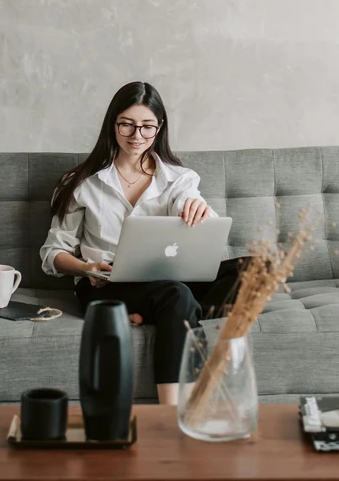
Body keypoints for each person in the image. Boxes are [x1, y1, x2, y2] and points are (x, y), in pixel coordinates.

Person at [40, 81, 242, 406]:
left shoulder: (179, 179)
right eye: (127, 125)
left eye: (147, 127)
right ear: (113, 124)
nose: (137, 136)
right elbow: (53, 254)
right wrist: (84, 267)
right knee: (176, 295)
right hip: (105, 285)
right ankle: (172, 412)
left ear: (159, 128)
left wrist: (199, 211)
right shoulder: (82, 183)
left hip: (165, 280)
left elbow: (190, 203)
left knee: (252, 270)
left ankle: (157, 313)